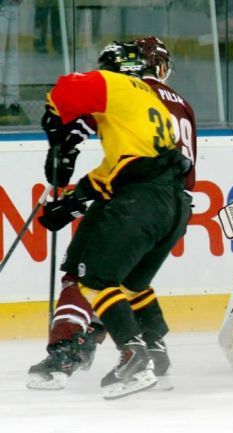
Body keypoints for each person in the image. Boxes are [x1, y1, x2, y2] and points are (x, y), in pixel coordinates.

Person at [26, 41, 192, 399]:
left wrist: (57, 130)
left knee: (93, 277)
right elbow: (125, 164)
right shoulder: (152, 100)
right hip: (173, 202)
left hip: (139, 201)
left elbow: (65, 88)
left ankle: (133, 356)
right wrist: (74, 200)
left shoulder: (114, 84)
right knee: (132, 284)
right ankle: (157, 358)